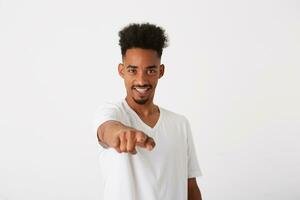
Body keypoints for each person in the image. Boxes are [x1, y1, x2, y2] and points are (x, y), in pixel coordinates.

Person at [93, 23, 203, 200]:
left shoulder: (180, 124)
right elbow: (107, 129)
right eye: (132, 70)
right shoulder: (111, 113)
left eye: (150, 70)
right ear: (122, 71)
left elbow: (190, 187)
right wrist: (121, 132)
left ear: (161, 71)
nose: (141, 80)